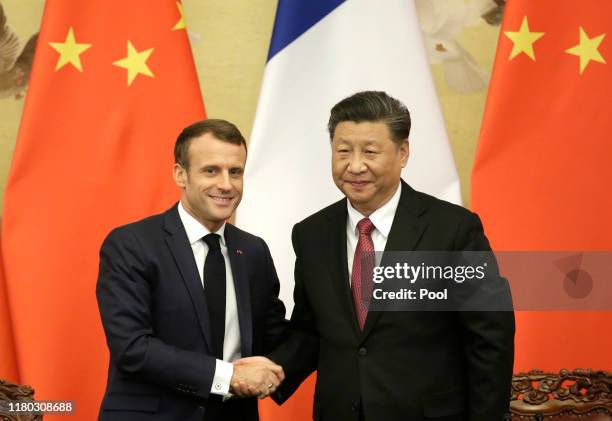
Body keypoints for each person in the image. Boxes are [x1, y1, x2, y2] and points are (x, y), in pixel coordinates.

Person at [266, 91, 515, 420]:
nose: (355, 166)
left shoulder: (453, 230)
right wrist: (270, 370)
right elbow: (311, 330)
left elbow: (489, 338)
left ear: (403, 152)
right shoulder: (312, 234)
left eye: (370, 151)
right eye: (343, 152)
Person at [96, 119, 287, 421]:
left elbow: (275, 337)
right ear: (180, 174)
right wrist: (228, 376)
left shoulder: (253, 251)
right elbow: (132, 347)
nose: (226, 184)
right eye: (211, 170)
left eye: (235, 172)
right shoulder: (131, 244)